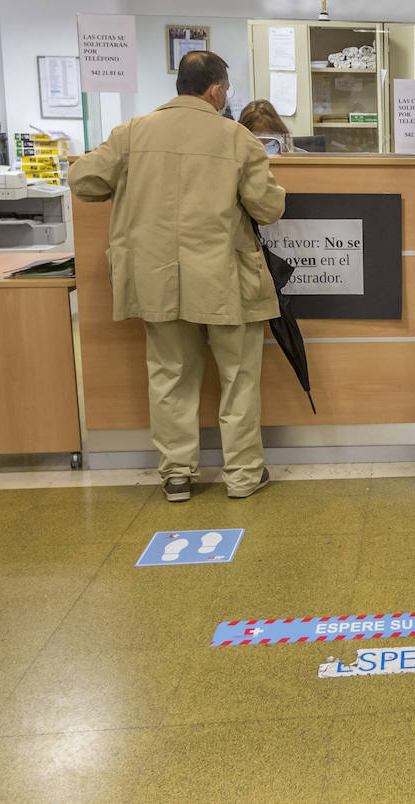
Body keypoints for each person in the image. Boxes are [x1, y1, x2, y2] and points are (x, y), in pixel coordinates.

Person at [71, 51, 287, 502]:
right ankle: (243, 476)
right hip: (225, 279)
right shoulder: (236, 138)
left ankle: (177, 475)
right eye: (225, 90)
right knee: (239, 379)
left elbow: (84, 181)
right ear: (215, 90)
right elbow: (267, 208)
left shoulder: (132, 132)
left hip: (157, 277)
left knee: (169, 375)